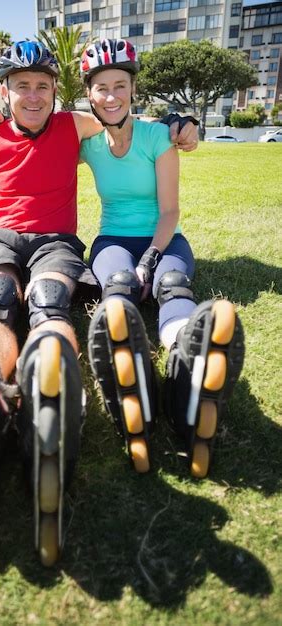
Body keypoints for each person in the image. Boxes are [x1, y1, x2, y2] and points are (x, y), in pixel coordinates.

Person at [0, 40, 199, 570]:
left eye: (43, 86)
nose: (33, 96)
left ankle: (48, 381)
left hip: (55, 239)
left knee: (50, 300)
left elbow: (119, 111)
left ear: (56, 91)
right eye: (22, 86)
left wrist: (178, 121)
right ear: (4, 91)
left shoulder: (73, 126)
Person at [79, 39, 245, 479]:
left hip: (164, 237)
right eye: (101, 88)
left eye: (120, 85)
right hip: (112, 237)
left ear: (133, 90)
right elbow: (33, 129)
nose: (111, 96)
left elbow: (169, 210)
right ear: (89, 95)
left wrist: (152, 256)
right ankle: (128, 369)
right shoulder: (86, 140)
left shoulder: (156, 135)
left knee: (172, 283)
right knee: (117, 285)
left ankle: (186, 364)